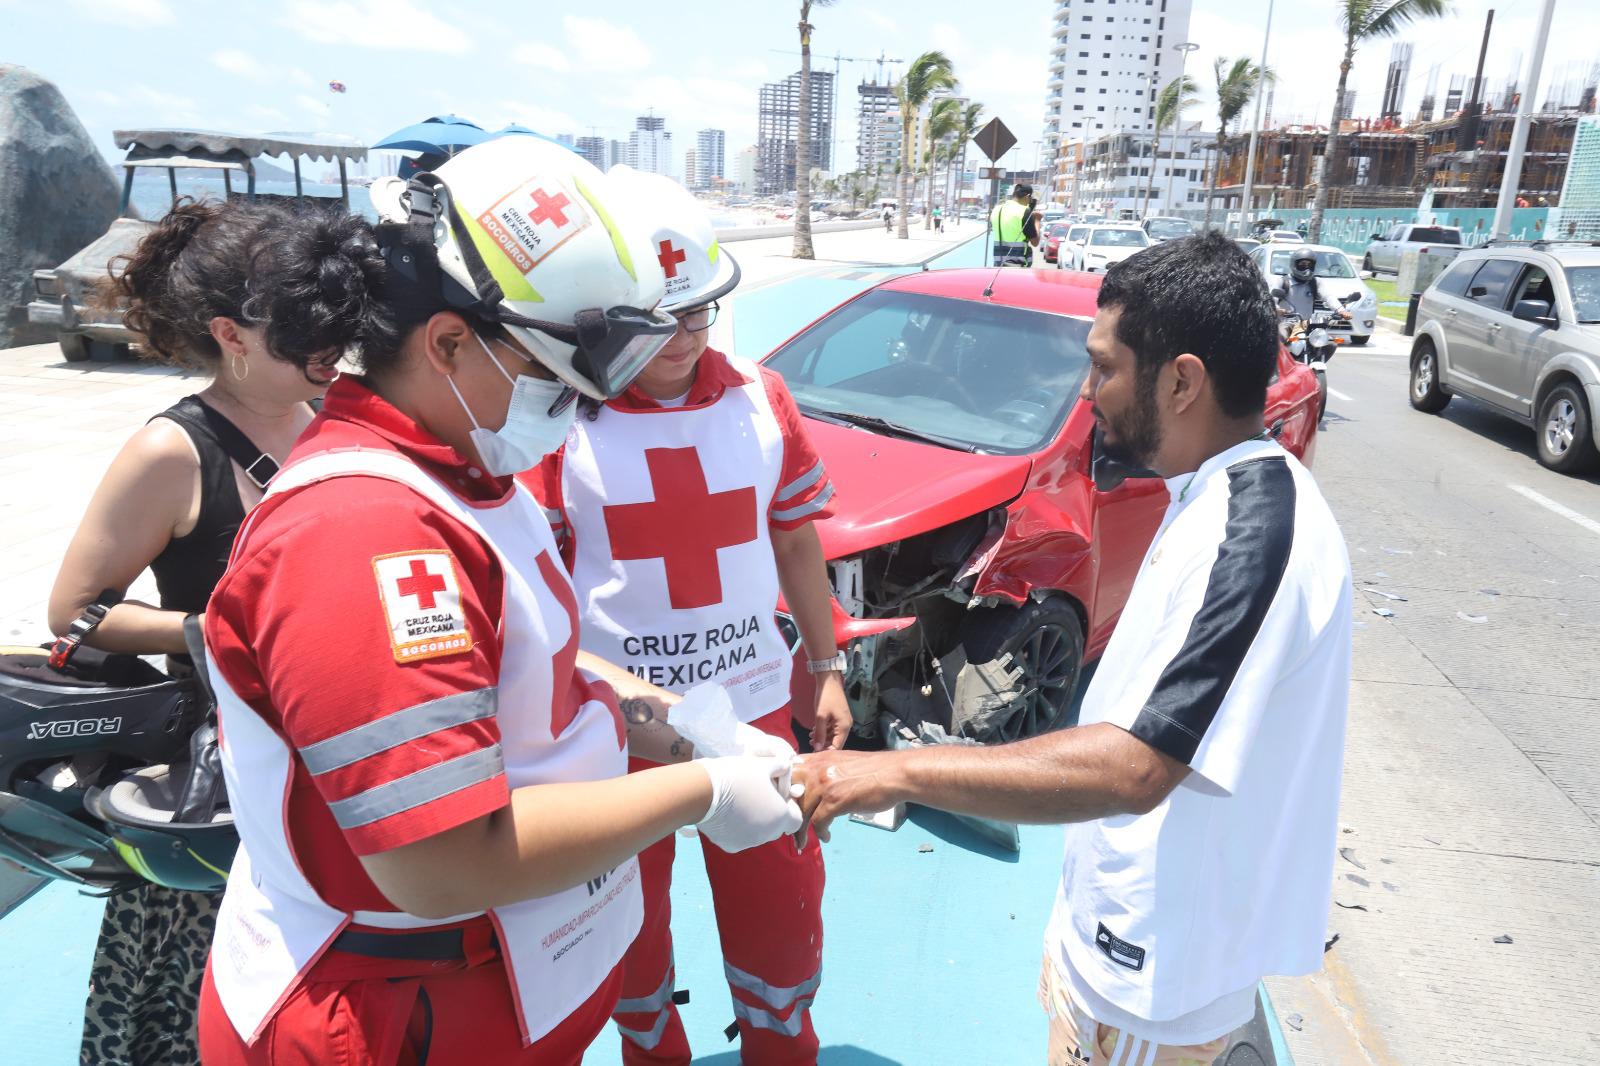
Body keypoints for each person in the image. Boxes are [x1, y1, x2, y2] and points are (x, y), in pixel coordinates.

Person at [195, 136, 803, 1066]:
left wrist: (690, 727)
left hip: (482, 988)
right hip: (388, 1013)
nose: (573, 406)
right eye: (555, 377)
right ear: (448, 343)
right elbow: (439, 860)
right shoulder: (364, 535)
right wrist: (702, 790)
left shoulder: (466, 474)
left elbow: (540, 658)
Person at [796, 232, 1352, 1065]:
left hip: (1159, 985)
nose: (1087, 391)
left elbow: (1137, 766)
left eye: (1102, 367)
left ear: (1182, 380)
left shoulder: (1253, 531)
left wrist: (889, 770)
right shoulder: (1205, 491)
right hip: (1115, 944)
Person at [531, 165, 844, 1065]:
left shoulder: (762, 397)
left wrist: (824, 670)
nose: (681, 337)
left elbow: (793, 542)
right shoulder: (557, 415)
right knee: (625, 932)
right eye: (655, 319)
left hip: (753, 715)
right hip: (616, 732)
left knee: (781, 923)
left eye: (698, 312)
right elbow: (536, 583)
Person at [45, 198, 336, 1066]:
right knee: (196, 1004)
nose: (330, 351)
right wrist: (211, 631)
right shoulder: (172, 452)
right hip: (228, 781)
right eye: (305, 332)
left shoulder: (331, 418)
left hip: (329, 751)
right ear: (231, 332)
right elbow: (76, 615)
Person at [991, 183, 1040, 266]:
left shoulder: (997, 209)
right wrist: (1037, 221)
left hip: (998, 264)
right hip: (1018, 266)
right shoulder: (1024, 211)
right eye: (1030, 198)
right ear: (1027, 196)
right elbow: (1035, 242)